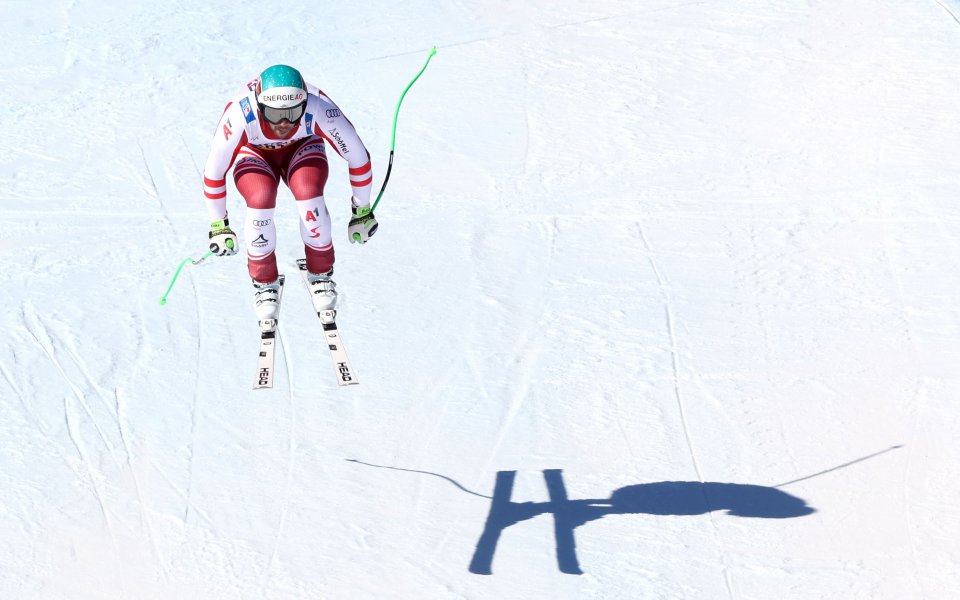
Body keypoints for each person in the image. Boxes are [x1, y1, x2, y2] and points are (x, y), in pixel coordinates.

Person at [202, 64, 378, 322]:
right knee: (260, 197)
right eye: (273, 114)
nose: (284, 123)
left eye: (294, 113)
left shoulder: (319, 107)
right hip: (254, 152)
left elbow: (358, 157)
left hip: (302, 147)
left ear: (305, 104)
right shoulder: (241, 113)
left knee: (309, 193)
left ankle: (320, 273)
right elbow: (214, 171)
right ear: (260, 106)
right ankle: (264, 281)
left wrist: (362, 210)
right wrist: (219, 225)